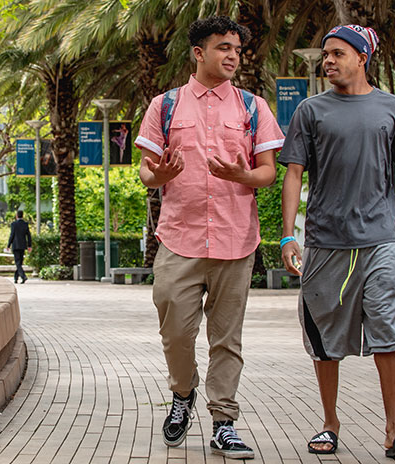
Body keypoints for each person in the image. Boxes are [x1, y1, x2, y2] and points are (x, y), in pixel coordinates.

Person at [134, 16, 284, 460]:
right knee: (176, 330)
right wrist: (155, 175)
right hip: (178, 239)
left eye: (237, 48)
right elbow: (145, 169)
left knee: (227, 339)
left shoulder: (253, 108)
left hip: (236, 241)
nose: (233, 55)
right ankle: (183, 393)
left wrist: (245, 175)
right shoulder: (165, 106)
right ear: (198, 53)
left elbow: (268, 172)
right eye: (223, 47)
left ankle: (223, 423)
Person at [278, 25, 395, 459]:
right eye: (325, 54)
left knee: (389, 332)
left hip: (380, 242)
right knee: (324, 338)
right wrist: (289, 234)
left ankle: (394, 430)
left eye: (338, 53)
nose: (328, 61)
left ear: (362, 57)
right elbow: (293, 174)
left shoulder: (394, 109)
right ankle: (329, 424)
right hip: (325, 244)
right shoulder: (310, 110)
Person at [5, 210, 32, 284]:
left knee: (18, 262)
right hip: (23, 245)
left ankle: (23, 276)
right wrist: (29, 245)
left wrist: (8, 245)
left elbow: (12, 235)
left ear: (17, 215)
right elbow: (28, 236)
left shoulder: (14, 224)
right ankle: (16, 278)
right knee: (19, 262)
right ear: (22, 216)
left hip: (16, 245)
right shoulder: (25, 224)